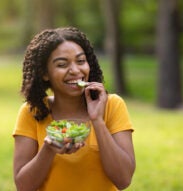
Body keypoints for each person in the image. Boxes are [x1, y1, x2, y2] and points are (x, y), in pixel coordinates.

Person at [13, 27, 135, 191]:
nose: (76, 71)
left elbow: (124, 179)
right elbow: (23, 186)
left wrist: (97, 121)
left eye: (80, 61)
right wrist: (48, 149)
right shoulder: (32, 111)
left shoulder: (112, 105)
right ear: (44, 73)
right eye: (62, 64)